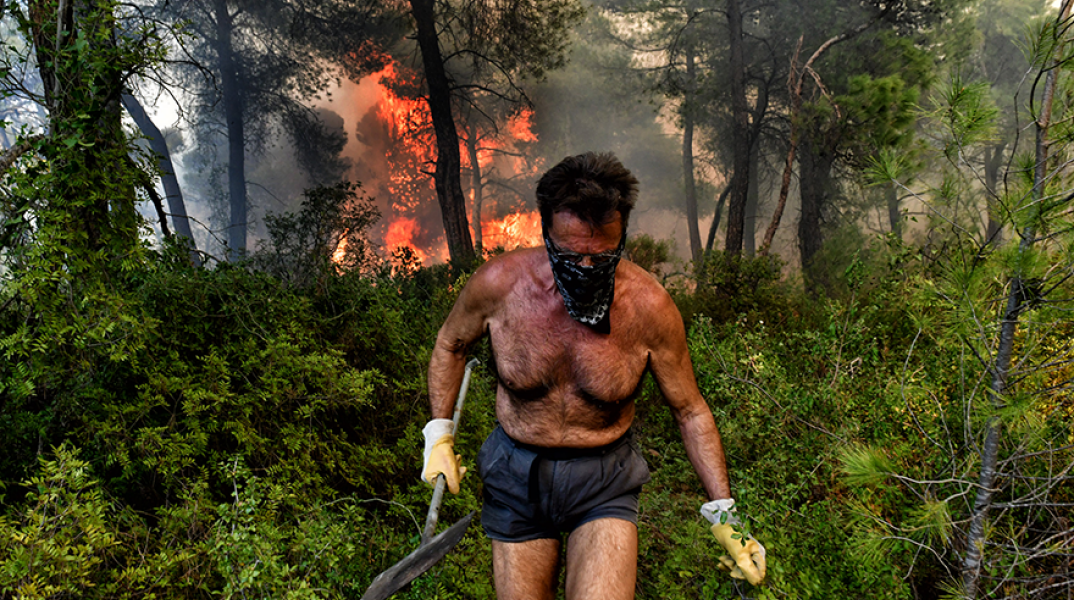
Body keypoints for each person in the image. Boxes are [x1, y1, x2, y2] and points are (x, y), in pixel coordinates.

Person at [421, 152, 766, 599]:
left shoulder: (650, 307)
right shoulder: (499, 285)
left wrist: (725, 518)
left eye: (601, 258)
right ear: (545, 231)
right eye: (571, 255)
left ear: (621, 236)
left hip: (604, 480)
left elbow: (689, 409)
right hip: (515, 474)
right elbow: (451, 344)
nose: (586, 269)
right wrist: (439, 435)